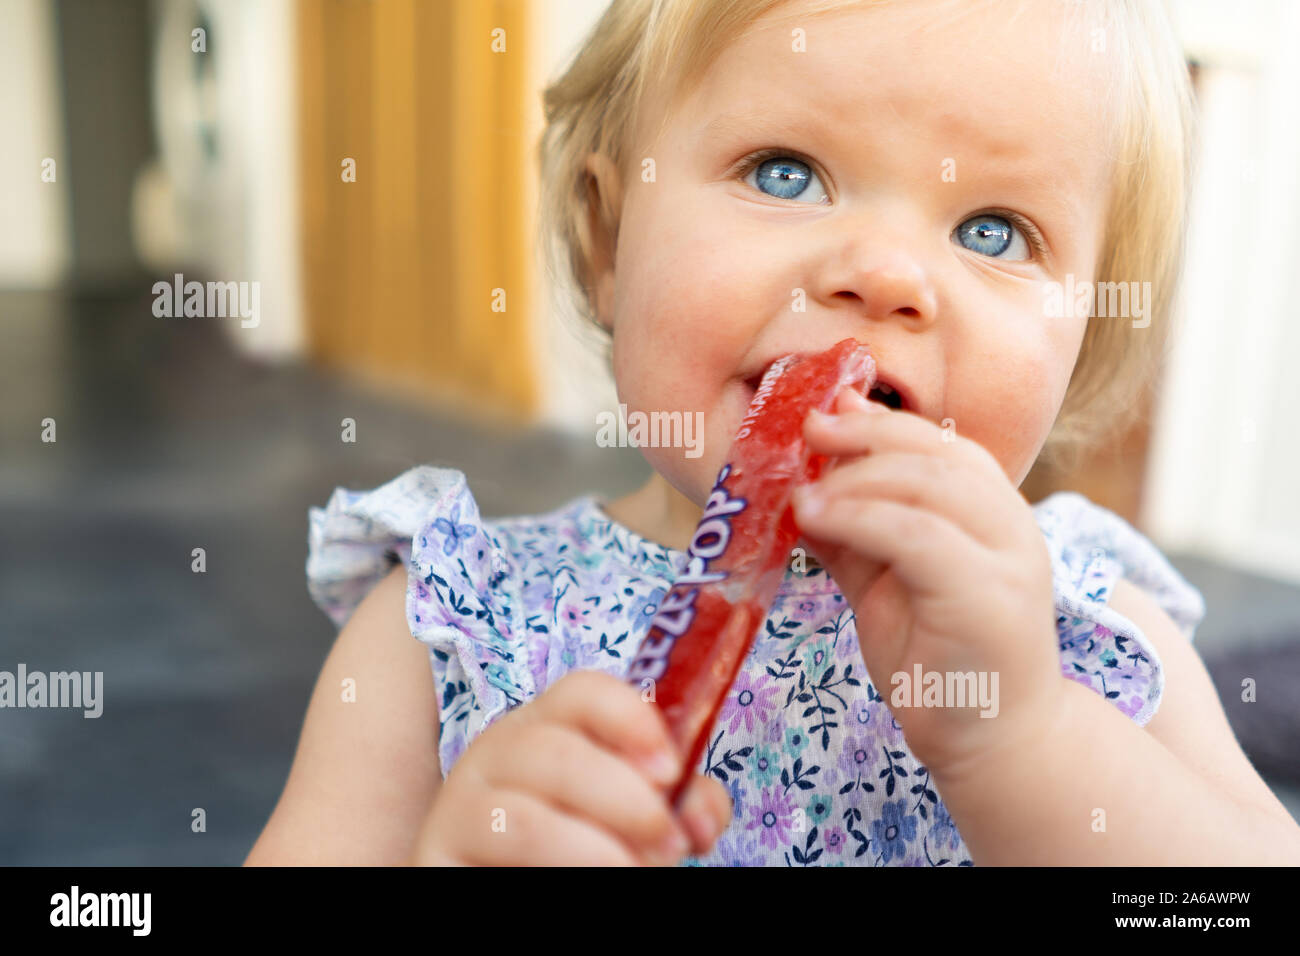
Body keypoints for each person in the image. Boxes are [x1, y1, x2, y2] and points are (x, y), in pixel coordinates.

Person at [246, 0, 1300, 865]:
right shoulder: (442, 630)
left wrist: (1021, 733)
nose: (883, 273)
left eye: (993, 231)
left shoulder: (1088, 628)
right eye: (784, 172)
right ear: (609, 239)